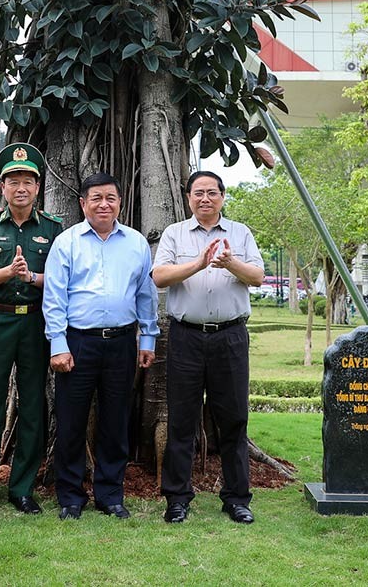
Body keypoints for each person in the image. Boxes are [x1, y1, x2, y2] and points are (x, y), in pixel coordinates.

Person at [44, 172, 159, 521]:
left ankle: (110, 495)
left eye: (110, 197)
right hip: (78, 342)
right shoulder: (67, 242)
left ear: (120, 202)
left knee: (115, 421)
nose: (103, 204)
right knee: (71, 422)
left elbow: (145, 294)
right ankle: (70, 496)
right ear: (83, 203)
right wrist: (58, 345)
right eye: (96, 198)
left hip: (122, 342)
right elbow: (54, 297)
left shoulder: (136, 243)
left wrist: (148, 337)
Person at [152, 171, 264, 525]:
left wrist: (231, 263)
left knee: (233, 419)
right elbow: (159, 277)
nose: (205, 198)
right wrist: (198, 264)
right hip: (186, 336)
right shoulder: (175, 234)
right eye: (198, 193)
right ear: (188, 198)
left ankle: (236, 497)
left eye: (212, 192)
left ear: (222, 196)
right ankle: (177, 498)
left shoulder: (241, 233)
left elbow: (258, 276)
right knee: (181, 420)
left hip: (230, 337)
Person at [0, 143, 63, 518]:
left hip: (36, 321)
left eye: (27, 181)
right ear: (2, 187)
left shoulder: (53, 229)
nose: (20, 188)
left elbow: (59, 278)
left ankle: (22, 489)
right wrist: (10, 272)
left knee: (34, 406)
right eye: (12, 181)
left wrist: (32, 277)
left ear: (38, 187)